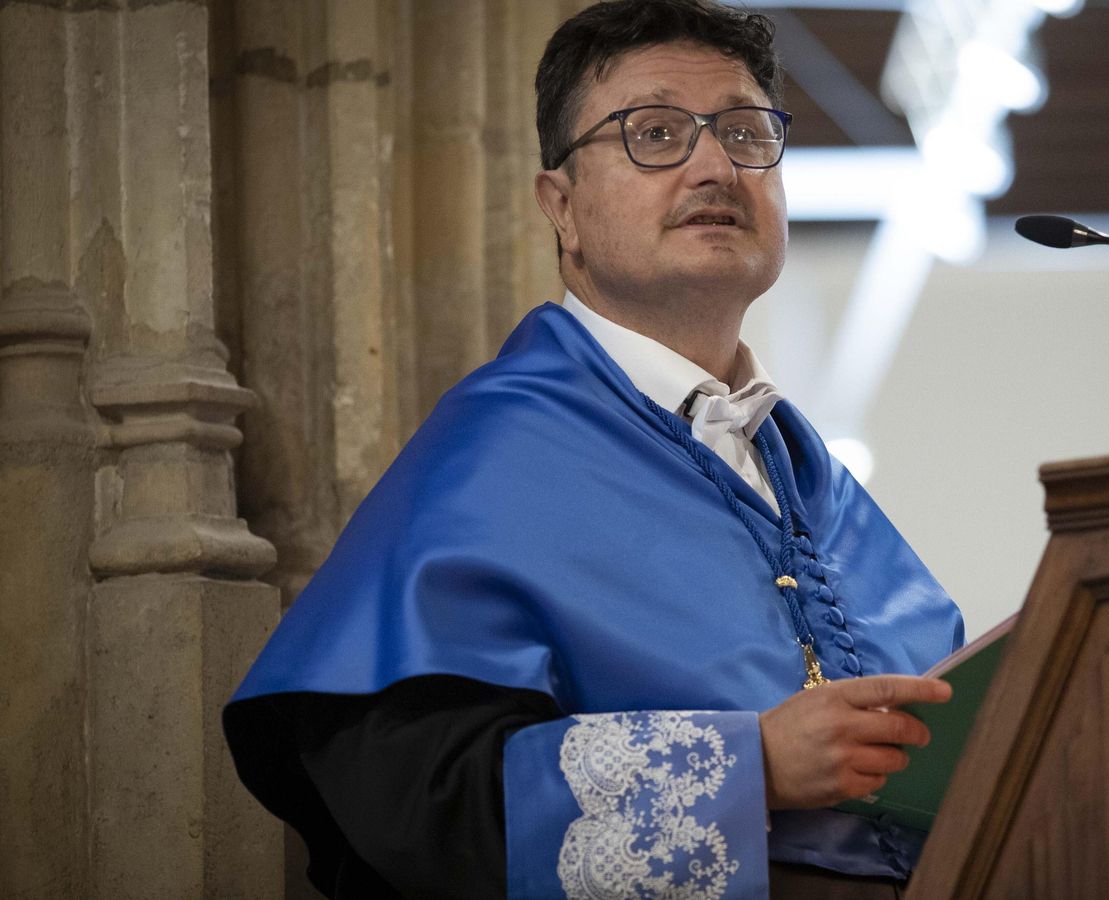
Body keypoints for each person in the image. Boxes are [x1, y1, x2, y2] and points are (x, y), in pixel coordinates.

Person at [224, 1, 966, 897]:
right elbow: (410, 800)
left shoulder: (815, 482)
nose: (715, 165)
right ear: (562, 207)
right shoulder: (494, 456)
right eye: (654, 132)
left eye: (744, 131)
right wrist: (750, 767)